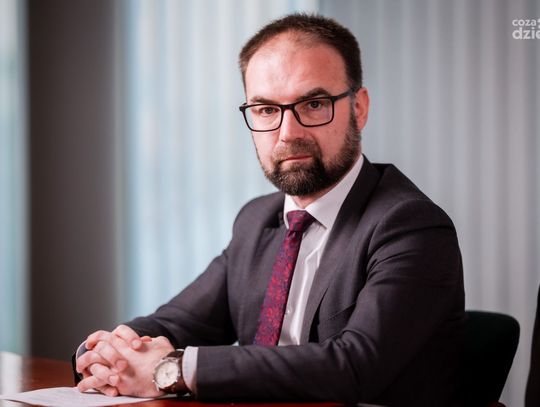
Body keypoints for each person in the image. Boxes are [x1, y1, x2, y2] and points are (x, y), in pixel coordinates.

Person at [75, 13, 465, 406]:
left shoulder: (411, 227)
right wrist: (105, 353)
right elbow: (177, 323)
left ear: (359, 108)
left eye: (314, 104)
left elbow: (353, 367)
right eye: (265, 110)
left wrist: (172, 370)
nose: (288, 133)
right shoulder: (257, 220)